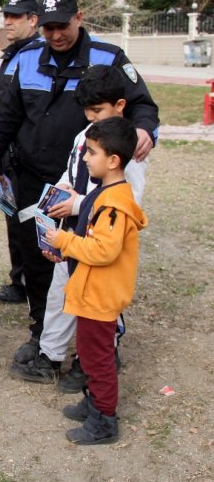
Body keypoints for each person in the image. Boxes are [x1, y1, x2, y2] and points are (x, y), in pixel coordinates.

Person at [0, 0, 158, 366]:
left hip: (89, 183)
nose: (55, 35)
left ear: (79, 18)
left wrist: (145, 131)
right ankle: (41, 336)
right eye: (47, 28)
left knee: (92, 267)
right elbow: (6, 116)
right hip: (36, 180)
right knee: (38, 258)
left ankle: (95, 347)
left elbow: (142, 105)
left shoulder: (109, 58)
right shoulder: (26, 58)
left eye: (62, 25)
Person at [9, 65, 148, 385]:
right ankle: (51, 356)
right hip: (72, 234)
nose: (91, 117)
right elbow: (71, 175)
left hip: (101, 243)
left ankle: (95, 361)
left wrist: (79, 204)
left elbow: (129, 203)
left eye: (97, 110)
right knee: (61, 294)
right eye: (87, 111)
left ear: (120, 106)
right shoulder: (83, 138)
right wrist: (58, 200)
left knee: (98, 304)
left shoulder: (129, 150)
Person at [45, 116, 148, 445]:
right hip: (90, 290)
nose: (86, 158)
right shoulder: (104, 194)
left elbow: (103, 250)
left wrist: (63, 242)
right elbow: (89, 241)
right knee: (88, 354)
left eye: (91, 153)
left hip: (100, 297)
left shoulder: (114, 205)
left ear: (113, 160)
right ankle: (93, 403)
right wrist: (66, 253)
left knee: (98, 358)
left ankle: (104, 419)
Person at [0, 0, 40, 305]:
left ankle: (34, 282)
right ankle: (18, 280)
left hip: (27, 157)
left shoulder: (39, 54)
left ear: (33, 20)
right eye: (6, 15)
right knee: (11, 216)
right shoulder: (11, 55)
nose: (7, 21)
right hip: (5, 156)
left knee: (30, 220)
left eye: (16, 16)